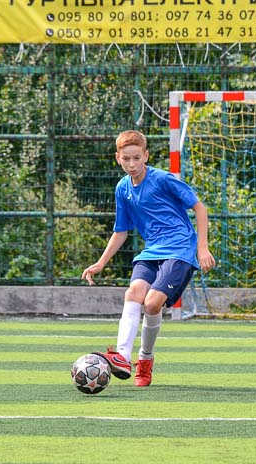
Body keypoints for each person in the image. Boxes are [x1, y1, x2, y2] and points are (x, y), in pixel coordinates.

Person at [82, 130, 215, 387]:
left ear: (146, 156)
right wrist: (101, 262)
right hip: (152, 251)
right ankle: (122, 356)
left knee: (152, 304)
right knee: (133, 294)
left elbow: (199, 208)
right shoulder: (122, 188)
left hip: (179, 250)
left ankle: (145, 359)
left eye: (136, 158)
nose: (131, 164)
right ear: (118, 158)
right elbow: (121, 231)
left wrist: (202, 248)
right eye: (126, 159)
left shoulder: (163, 179)